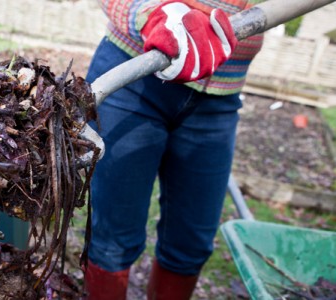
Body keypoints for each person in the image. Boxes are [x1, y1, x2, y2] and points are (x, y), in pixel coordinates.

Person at [83, 0, 264, 299]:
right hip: (134, 75)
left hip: (218, 98)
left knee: (190, 244)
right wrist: (150, 12)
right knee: (111, 237)